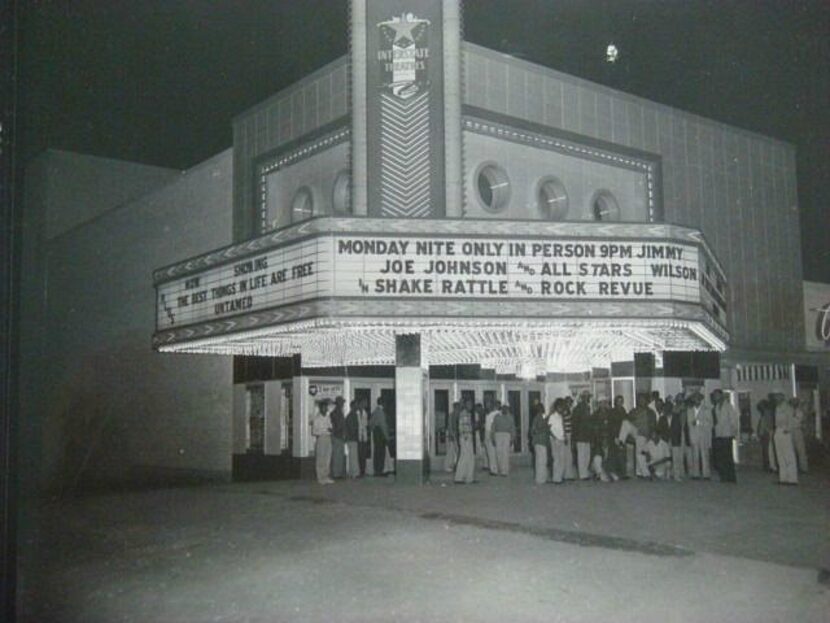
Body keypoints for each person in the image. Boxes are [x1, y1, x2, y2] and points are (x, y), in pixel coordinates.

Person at [711, 389, 739, 483]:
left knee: (728, 456)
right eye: (714, 396)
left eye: (716, 395)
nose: (715, 397)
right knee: (720, 457)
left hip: (727, 434)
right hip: (719, 434)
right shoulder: (716, 407)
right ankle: (723, 476)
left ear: (721, 396)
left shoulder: (728, 406)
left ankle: (730, 477)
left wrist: (734, 432)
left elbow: (734, 420)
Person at [629, 393, 657, 478]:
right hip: (639, 434)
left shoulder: (651, 412)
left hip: (648, 435)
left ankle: (639, 472)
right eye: (640, 399)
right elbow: (630, 421)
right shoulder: (634, 411)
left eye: (643, 399)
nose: (642, 401)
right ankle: (644, 473)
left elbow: (653, 424)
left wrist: (652, 434)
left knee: (644, 453)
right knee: (640, 453)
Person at [773, 393, 798, 485]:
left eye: (778, 396)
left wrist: (788, 430)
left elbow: (791, 421)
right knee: (780, 456)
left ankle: (792, 479)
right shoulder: (777, 408)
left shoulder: (788, 407)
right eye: (775, 396)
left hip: (785, 432)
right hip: (778, 431)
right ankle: (783, 478)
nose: (776, 398)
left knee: (789, 456)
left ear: (782, 397)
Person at [687, 392, 713, 480]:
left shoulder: (706, 409)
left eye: (698, 399)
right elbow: (689, 425)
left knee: (704, 455)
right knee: (695, 455)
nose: (696, 401)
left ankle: (706, 474)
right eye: (694, 399)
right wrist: (691, 437)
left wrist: (698, 422)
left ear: (701, 400)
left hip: (703, 435)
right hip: (694, 435)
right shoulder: (690, 410)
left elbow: (710, 423)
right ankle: (696, 474)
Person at [311, 400, 334, 485]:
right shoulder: (317, 419)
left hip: (328, 438)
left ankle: (326, 476)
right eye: (324, 407)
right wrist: (324, 430)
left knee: (327, 457)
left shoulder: (328, 417)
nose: (325, 409)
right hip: (321, 438)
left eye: (326, 407)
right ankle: (320, 477)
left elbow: (331, 427)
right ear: (320, 408)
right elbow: (314, 432)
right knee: (321, 458)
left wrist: (330, 429)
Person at [571, 390, 593, 480]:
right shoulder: (578, 408)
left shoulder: (587, 408)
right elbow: (575, 423)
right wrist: (575, 436)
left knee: (586, 455)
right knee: (582, 455)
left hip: (586, 435)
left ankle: (585, 472)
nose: (588, 399)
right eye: (586, 397)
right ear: (582, 398)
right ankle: (583, 474)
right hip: (580, 435)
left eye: (588, 397)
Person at [605, 396, 628, 479]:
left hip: (623, 435)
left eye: (621, 401)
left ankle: (622, 473)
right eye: (618, 401)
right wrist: (614, 436)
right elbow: (611, 425)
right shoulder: (612, 412)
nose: (620, 403)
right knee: (614, 455)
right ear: (615, 402)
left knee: (622, 454)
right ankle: (613, 473)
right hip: (614, 436)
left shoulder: (623, 410)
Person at [454, 400, 476, 484]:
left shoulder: (468, 414)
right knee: (464, 457)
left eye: (471, 404)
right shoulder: (464, 414)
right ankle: (459, 477)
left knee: (470, 457)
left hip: (467, 436)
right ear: (465, 405)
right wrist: (465, 437)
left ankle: (469, 477)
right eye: (469, 404)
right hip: (465, 437)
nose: (471, 406)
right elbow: (462, 427)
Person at [491, 404, 516, 476]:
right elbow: (493, 427)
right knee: (498, 453)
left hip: (507, 435)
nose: (505, 410)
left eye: (506, 409)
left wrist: (512, 438)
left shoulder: (510, 417)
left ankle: (505, 471)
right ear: (501, 410)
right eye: (503, 409)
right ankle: (500, 468)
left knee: (505, 453)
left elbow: (512, 428)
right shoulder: (497, 417)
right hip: (498, 435)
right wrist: (492, 437)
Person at [668, 394, 687, 481]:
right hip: (675, 433)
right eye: (679, 400)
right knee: (676, 455)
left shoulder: (684, 410)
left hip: (681, 433)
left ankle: (679, 473)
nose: (681, 402)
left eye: (682, 400)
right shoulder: (675, 410)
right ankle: (676, 474)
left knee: (680, 455)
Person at [548, 399, 568, 484]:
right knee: (556, 459)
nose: (562, 409)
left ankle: (560, 476)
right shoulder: (552, 416)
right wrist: (554, 438)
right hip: (555, 440)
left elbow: (562, 428)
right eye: (561, 407)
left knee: (562, 459)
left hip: (561, 439)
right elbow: (549, 429)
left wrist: (565, 436)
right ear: (557, 407)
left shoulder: (561, 416)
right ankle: (556, 478)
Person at [756, 397, 777, 472]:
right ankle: (767, 465)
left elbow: (767, 424)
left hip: (767, 433)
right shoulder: (764, 413)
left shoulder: (767, 413)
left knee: (768, 451)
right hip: (764, 434)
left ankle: (770, 466)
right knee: (765, 451)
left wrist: (766, 431)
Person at [530, 402, 550, 484]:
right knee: (540, 460)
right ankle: (540, 479)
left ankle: (543, 477)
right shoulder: (537, 418)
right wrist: (546, 427)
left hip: (542, 442)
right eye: (541, 408)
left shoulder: (542, 417)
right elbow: (534, 431)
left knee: (542, 460)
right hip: (539, 442)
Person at [370, 398, 389, 477]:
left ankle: (377, 470)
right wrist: (387, 437)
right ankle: (379, 471)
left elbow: (370, 423)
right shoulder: (380, 412)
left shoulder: (375, 411)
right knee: (380, 453)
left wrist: (373, 428)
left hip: (376, 433)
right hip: (380, 434)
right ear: (382, 403)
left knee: (377, 452)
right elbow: (383, 426)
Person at [790, 397, 809, 474]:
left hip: (797, 430)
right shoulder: (789, 411)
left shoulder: (800, 411)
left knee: (801, 450)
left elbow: (798, 420)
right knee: (791, 450)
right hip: (790, 431)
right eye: (792, 402)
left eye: (795, 402)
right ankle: (793, 467)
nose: (793, 404)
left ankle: (804, 468)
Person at [329, 396, 347, 479]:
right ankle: (336, 473)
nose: (342, 404)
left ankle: (339, 473)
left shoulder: (340, 412)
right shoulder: (334, 413)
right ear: (338, 403)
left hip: (340, 437)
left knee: (340, 455)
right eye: (341, 402)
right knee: (336, 455)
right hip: (336, 436)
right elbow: (336, 426)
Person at [344, 400, 361, 478]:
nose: (357, 407)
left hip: (350, 439)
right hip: (352, 439)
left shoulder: (352, 415)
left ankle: (352, 472)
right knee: (354, 456)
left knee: (352, 456)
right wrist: (355, 436)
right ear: (353, 406)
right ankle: (355, 473)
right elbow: (352, 428)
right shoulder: (352, 415)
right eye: (356, 405)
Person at [483, 401, 500, 475]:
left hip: (490, 433)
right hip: (490, 433)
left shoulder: (495, 414)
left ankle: (494, 469)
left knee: (491, 452)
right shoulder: (492, 414)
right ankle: (495, 468)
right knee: (492, 452)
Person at [444, 402, 460, 473]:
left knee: (455, 452)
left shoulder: (456, 415)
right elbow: (450, 426)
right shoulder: (452, 415)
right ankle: (448, 466)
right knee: (451, 451)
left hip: (457, 436)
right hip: (453, 436)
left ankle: (454, 465)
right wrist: (452, 435)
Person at [357, 399, 370, 476]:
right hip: (358, 436)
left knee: (363, 454)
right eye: (363, 403)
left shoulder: (365, 413)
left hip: (363, 436)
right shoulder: (357, 413)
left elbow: (365, 425)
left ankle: (363, 471)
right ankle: (359, 470)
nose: (365, 404)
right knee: (359, 454)